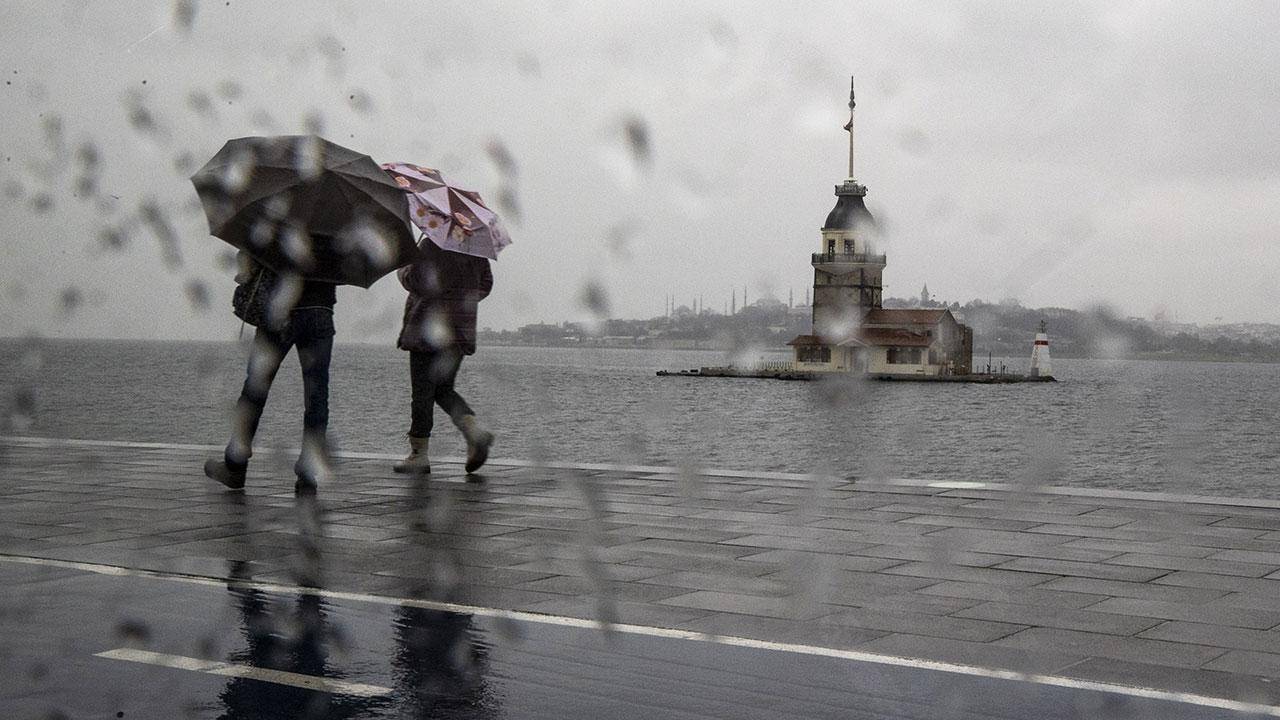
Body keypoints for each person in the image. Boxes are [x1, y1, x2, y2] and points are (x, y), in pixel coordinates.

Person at [204, 252, 337, 493]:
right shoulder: (339, 221)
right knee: (317, 396)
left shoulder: (283, 216)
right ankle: (307, 475)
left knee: (255, 389)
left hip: (280, 310)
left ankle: (235, 465)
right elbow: (344, 269)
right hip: (320, 311)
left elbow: (254, 254)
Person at [393, 239, 494, 475]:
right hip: (459, 332)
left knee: (422, 392)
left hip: (428, 331)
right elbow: (486, 285)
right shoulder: (475, 249)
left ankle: (419, 455)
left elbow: (417, 281)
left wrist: (403, 270)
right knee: (443, 389)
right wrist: (459, 298)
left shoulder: (430, 245)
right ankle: (474, 433)